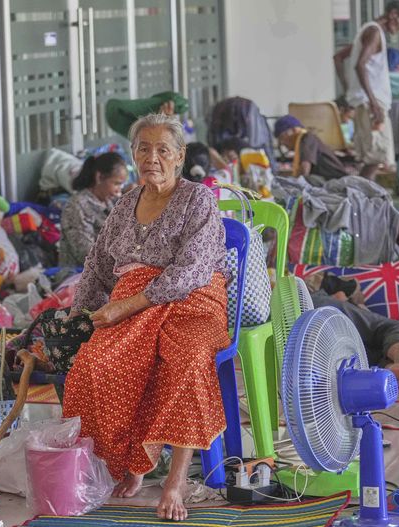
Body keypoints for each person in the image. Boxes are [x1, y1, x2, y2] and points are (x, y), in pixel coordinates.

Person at [63, 113, 231, 521]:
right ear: (133, 154)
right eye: (143, 148)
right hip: (133, 305)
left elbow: (191, 271)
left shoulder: (198, 199)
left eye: (162, 149)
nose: (151, 157)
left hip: (194, 301)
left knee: (187, 359)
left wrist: (127, 305)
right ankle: (130, 463)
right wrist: (76, 317)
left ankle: (175, 481)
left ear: (179, 156)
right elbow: (98, 266)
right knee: (93, 363)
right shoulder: (125, 204)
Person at [308, 282, 399, 392]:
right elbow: (340, 294)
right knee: (394, 328)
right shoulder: (328, 287)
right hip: (313, 308)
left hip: (313, 352)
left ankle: (389, 369)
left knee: (364, 352)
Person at [333, 1, 399, 180]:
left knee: (372, 159)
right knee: (376, 157)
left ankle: (362, 200)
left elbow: (338, 57)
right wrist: (374, 103)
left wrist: (349, 91)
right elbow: (360, 65)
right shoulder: (375, 33)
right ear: (393, 14)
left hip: (364, 102)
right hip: (371, 105)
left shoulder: (367, 32)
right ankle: (359, 199)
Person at [59, 153, 128, 267]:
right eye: (116, 184)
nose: (119, 191)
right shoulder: (77, 207)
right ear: (99, 177)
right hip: (80, 274)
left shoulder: (109, 202)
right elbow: (86, 255)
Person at [273, 115, 350, 180]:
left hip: (337, 181)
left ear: (294, 130)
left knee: (309, 180)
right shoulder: (302, 142)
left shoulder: (307, 138)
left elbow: (305, 170)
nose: (282, 143)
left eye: (282, 137)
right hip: (328, 179)